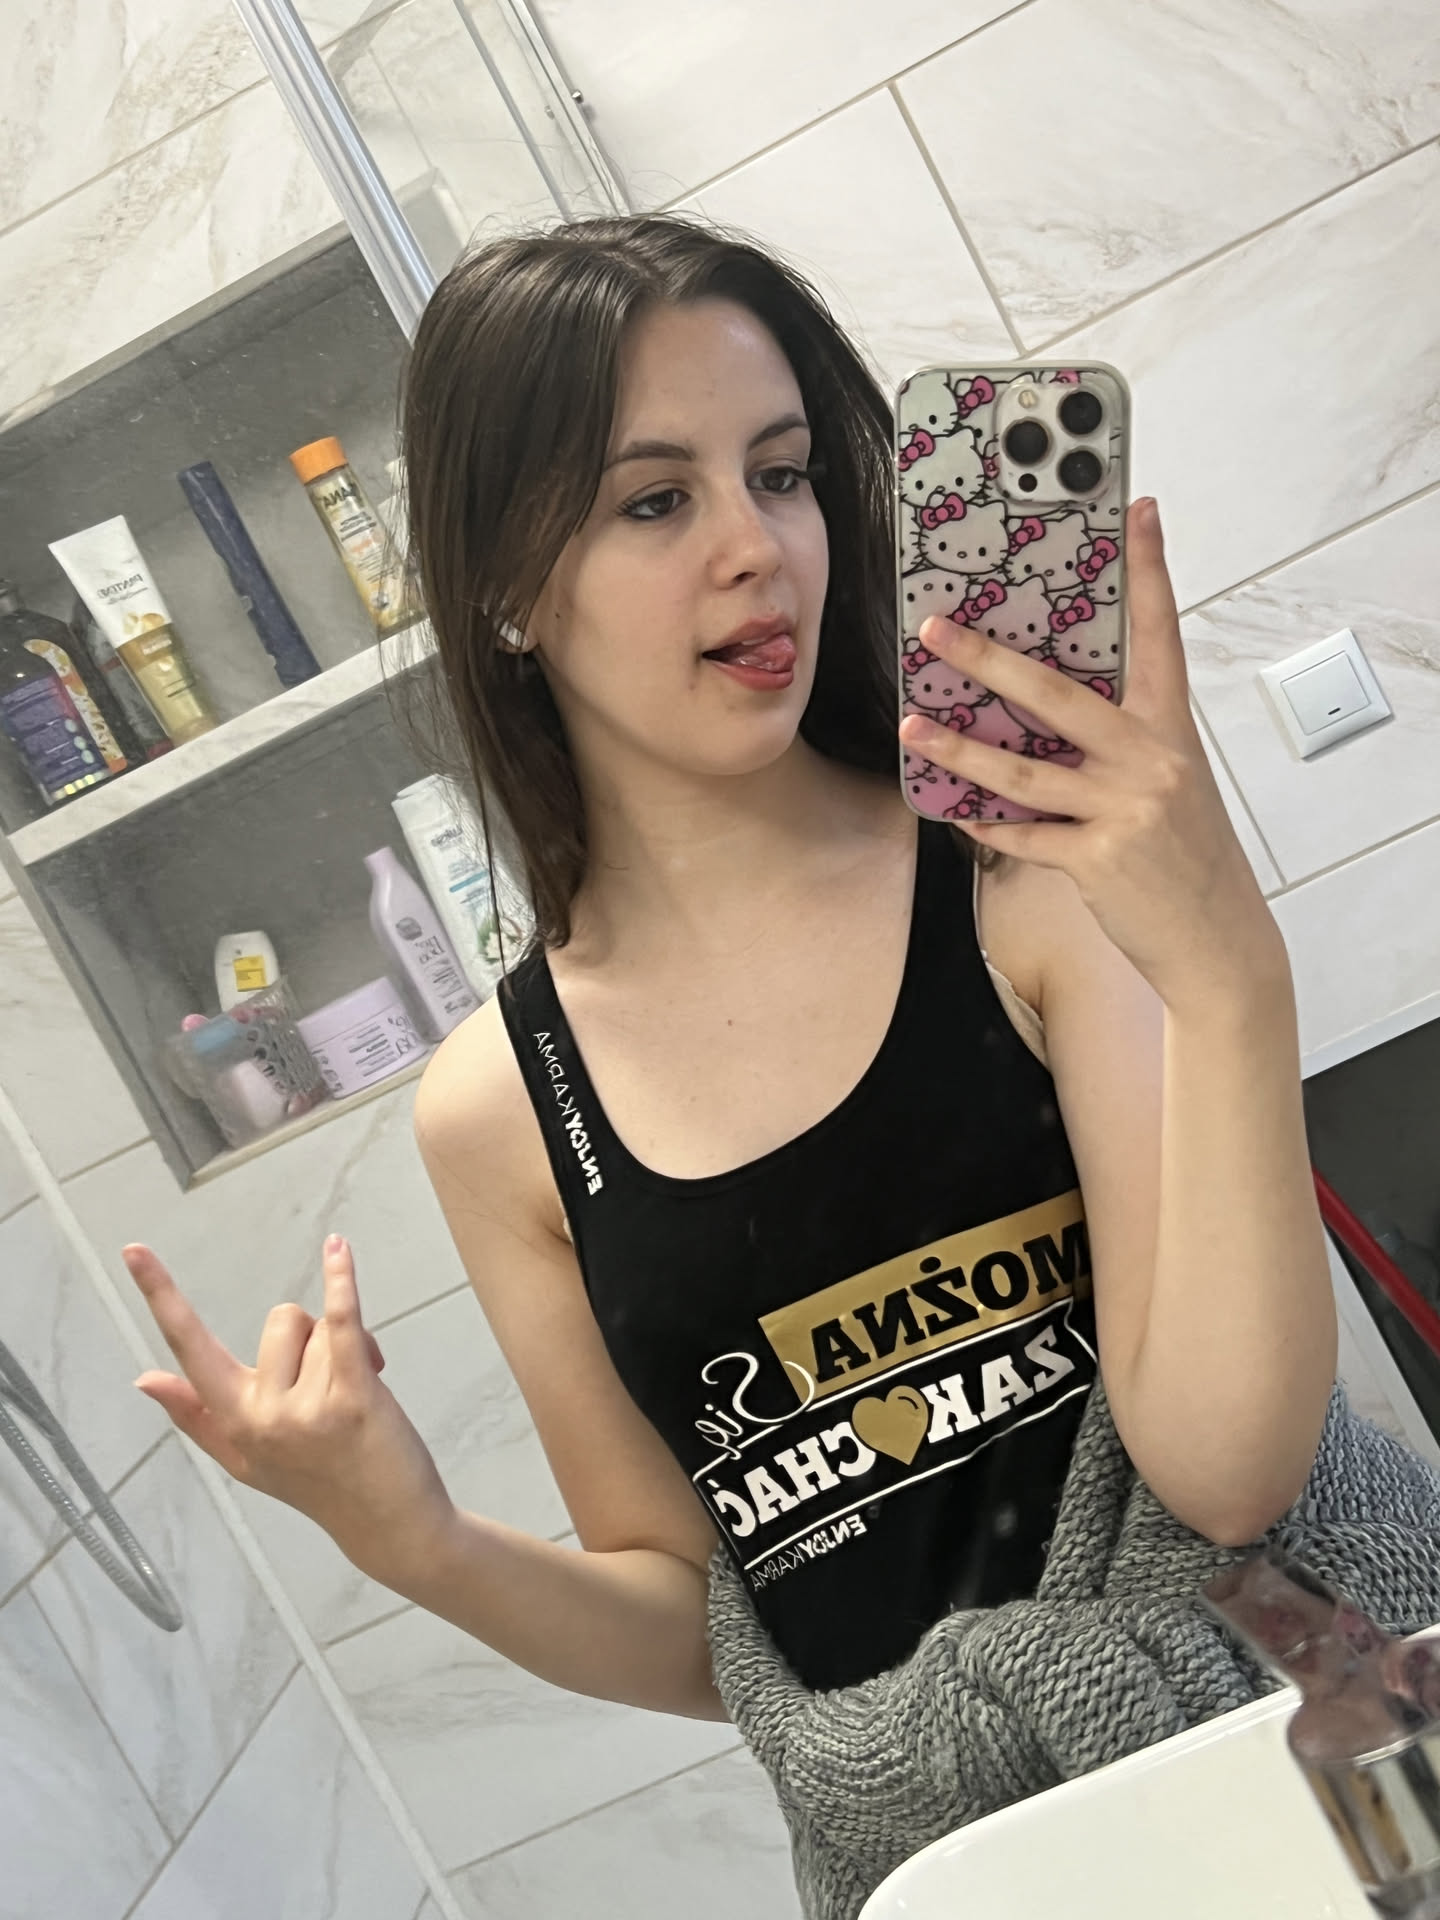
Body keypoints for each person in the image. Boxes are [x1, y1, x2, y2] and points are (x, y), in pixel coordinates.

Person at [122, 216, 1338, 1791]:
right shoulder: (500, 1110)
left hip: (1279, 1764)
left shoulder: (1020, 881)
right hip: (951, 1863)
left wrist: (1231, 977)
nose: (758, 546)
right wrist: (413, 1540)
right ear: (503, 589)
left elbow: (1229, 1475)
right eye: (654, 500)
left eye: (782, 472)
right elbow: (713, 1636)